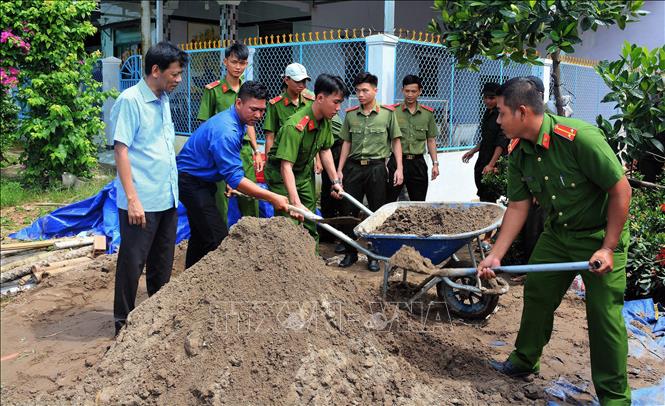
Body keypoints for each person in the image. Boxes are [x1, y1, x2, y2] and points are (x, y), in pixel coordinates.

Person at [477, 77, 632, 405]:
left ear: (521, 112)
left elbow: (621, 190)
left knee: (604, 317)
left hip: (599, 235)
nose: (498, 120)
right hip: (559, 234)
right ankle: (524, 359)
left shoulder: (579, 139)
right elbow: (518, 207)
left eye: (502, 113)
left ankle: (615, 398)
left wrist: (608, 247)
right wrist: (496, 255)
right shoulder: (519, 151)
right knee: (537, 293)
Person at [111, 42, 188, 335]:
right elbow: (121, 151)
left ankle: (156, 317)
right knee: (132, 263)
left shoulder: (163, 98)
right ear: (155, 70)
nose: (178, 80)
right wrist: (132, 199)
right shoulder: (130, 101)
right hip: (141, 201)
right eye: (175, 74)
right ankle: (123, 325)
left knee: (162, 262)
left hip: (166, 197)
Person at [177, 81, 293, 268]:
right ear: (239, 103)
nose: (258, 115)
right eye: (254, 109)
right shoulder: (227, 130)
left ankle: (189, 282)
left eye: (262, 110)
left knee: (200, 234)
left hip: (201, 180)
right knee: (218, 239)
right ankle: (217, 288)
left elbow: (229, 166)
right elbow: (236, 178)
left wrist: (231, 179)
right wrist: (272, 197)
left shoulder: (238, 121)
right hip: (190, 182)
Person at [265, 74, 348, 244]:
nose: (339, 108)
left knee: (310, 223)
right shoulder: (295, 126)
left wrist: (335, 181)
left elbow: (325, 151)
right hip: (281, 179)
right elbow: (285, 166)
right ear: (320, 98)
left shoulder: (325, 120)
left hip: (302, 175)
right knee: (287, 225)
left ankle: (312, 263)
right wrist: (294, 201)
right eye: (336, 102)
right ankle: (285, 266)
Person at [337, 72, 403, 271]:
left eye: (365, 90)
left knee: (375, 212)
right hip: (353, 169)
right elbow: (346, 143)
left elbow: (396, 141)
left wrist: (399, 168)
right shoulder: (350, 115)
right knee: (349, 212)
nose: (361, 94)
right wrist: (339, 170)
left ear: (375, 90)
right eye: (358, 91)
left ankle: (374, 256)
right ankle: (350, 253)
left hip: (376, 169)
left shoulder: (387, 114)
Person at [197, 42, 263, 226]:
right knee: (221, 203)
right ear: (225, 62)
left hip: (243, 153)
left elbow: (250, 122)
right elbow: (204, 125)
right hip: (219, 153)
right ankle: (219, 246)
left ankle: (253, 242)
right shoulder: (213, 91)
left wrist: (256, 150)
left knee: (250, 199)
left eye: (242, 63)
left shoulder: (248, 90)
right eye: (234, 62)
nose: (238, 67)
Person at [387, 74, 440, 202]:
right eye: (407, 91)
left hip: (418, 164)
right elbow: (387, 138)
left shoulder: (427, 114)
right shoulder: (393, 112)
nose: (410, 94)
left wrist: (435, 164)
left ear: (420, 92)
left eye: (413, 91)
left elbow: (431, 140)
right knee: (389, 200)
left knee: (419, 202)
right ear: (402, 90)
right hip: (396, 162)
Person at [461, 82, 508, 203]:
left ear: (498, 98)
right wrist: (473, 151)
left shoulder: (501, 115)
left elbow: (501, 143)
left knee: (490, 195)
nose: (487, 101)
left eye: (491, 98)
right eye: (485, 97)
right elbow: (487, 138)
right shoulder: (488, 113)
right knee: (482, 191)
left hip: (494, 160)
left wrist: (492, 164)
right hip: (483, 157)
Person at [263, 63, 315, 156]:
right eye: (297, 81)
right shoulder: (276, 105)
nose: (302, 85)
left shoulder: (310, 102)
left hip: (304, 158)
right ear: (286, 80)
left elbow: (314, 133)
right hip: (283, 154)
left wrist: (317, 160)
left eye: (304, 82)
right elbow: (270, 136)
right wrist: (269, 162)